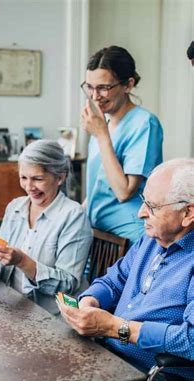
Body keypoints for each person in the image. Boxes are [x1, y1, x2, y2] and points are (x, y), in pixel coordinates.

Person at [59, 159, 193, 381]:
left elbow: (190, 341)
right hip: (112, 361)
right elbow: (114, 280)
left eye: (152, 206)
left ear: (188, 213)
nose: (141, 213)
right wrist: (90, 300)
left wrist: (115, 328)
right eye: (143, 202)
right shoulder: (150, 239)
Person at [0, 140, 93, 315]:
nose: (29, 187)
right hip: (12, 306)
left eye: (37, 179)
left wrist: (22, 262)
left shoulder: (73, 216)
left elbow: (68, 285)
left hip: (52, 317)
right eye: (23, 178)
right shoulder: (15, 207)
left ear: (60, 178)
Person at [81, 46, 163, 245]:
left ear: (128, 85)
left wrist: (101, 135)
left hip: (128, 238)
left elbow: (124, 191)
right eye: (89, 87)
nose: (94, 96)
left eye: (103, 87)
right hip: (97, 234)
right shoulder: (103, 124)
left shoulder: (144, 123)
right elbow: (97, 186)